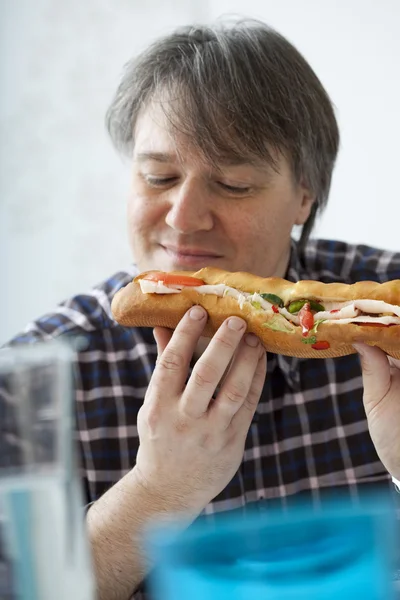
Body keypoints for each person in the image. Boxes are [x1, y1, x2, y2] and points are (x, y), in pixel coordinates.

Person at [3, 18, 400, 600]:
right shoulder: (36, 379)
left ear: (304, 196)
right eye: (158, 175)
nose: (183, 217)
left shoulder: (383, 311)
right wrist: (157, 492)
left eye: (234, 184)